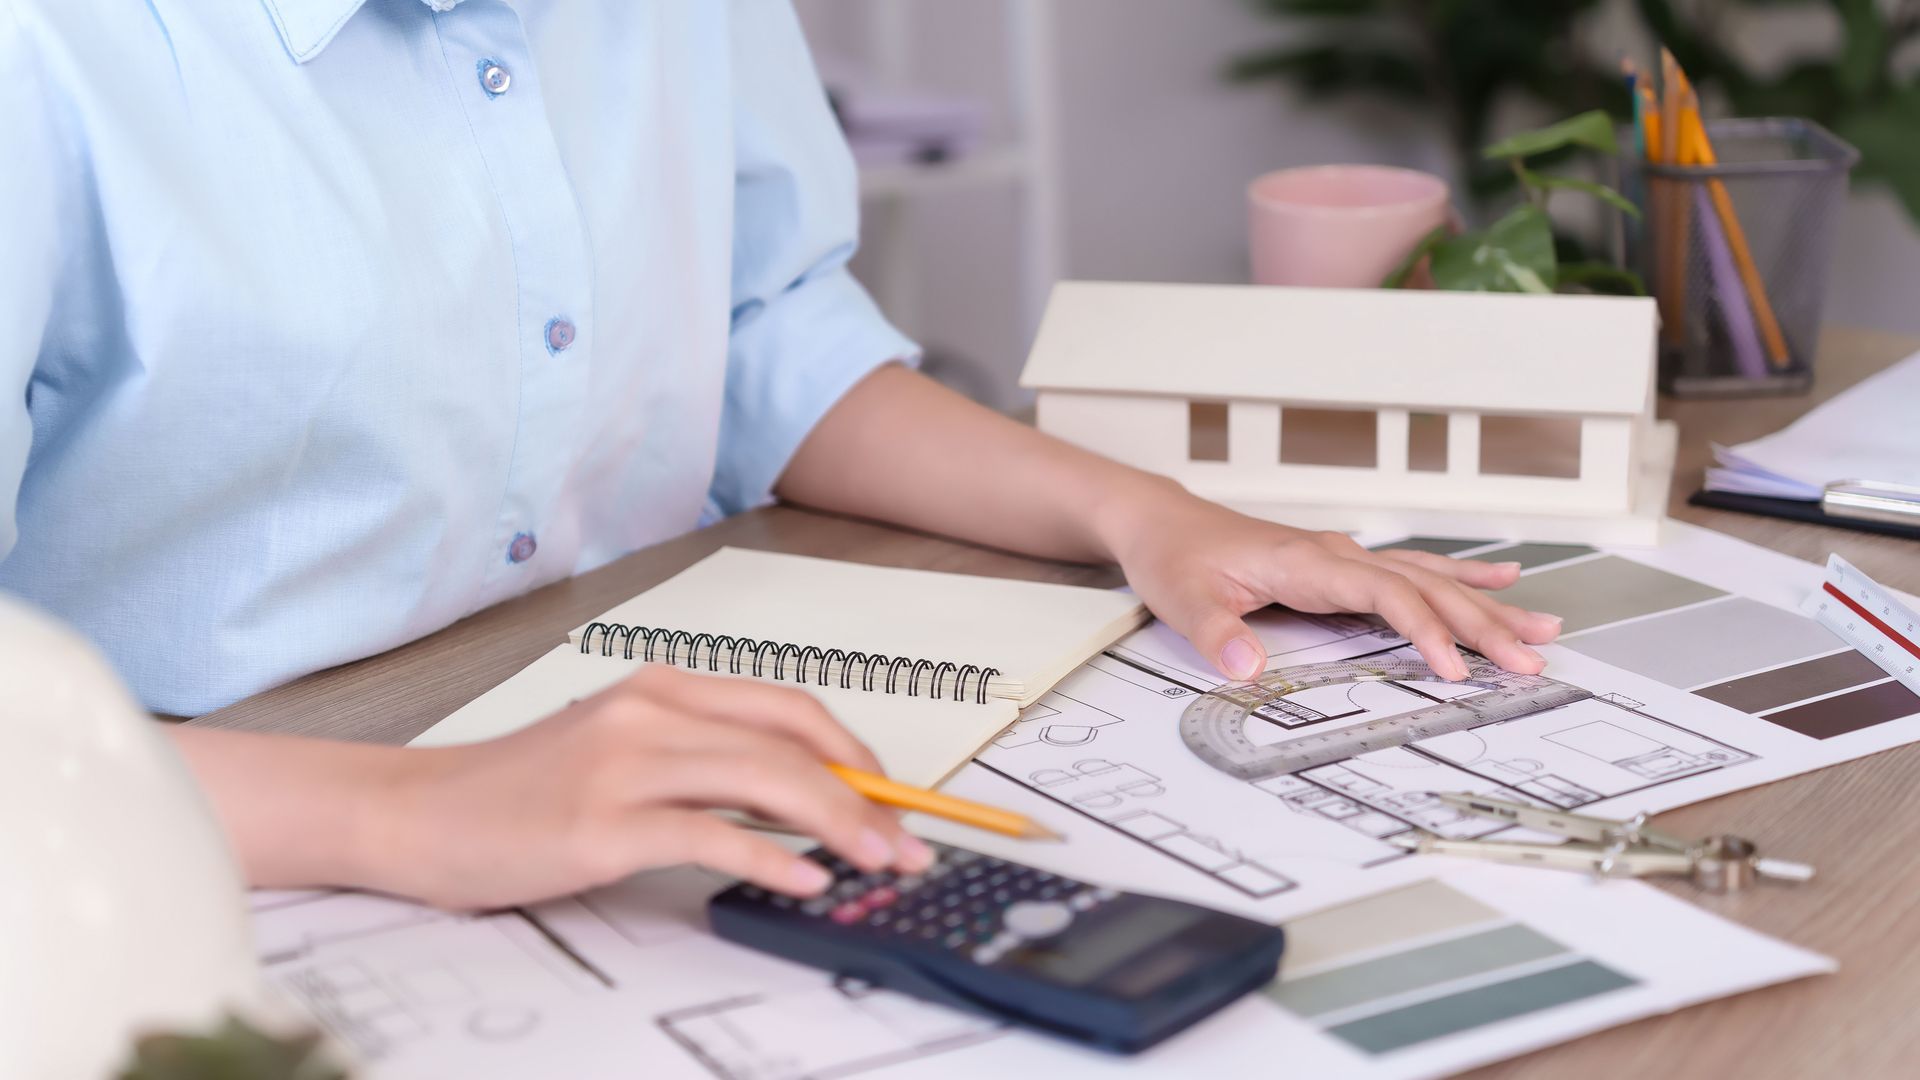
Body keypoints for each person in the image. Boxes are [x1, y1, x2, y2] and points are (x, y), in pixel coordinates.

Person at [0, 0, 1560, 910]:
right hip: (164, 836)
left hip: (582, 724)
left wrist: (1140, 515)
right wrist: (405, 814)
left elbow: (757, 335)